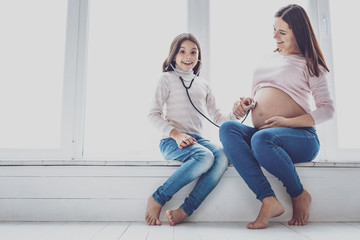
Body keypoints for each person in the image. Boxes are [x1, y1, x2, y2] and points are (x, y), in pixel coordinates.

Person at [219, 4, 335, 229]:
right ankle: (268, 199)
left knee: (262, 139)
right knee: (228, 129)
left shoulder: (310, 63)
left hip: (301, 137)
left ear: (298, 32)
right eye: (274, 29)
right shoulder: (266, 59)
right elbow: (262, 95)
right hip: (265, 136)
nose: (274, 36)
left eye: (282, 32)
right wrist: (245, 105)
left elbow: (327, 109)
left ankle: (299, 194)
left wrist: (286, 122)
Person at [145, 33, 243, 226]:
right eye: (182, 52)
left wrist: (237, 112)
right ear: (173, 56)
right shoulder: (166, 79)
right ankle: (158, 197)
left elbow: (218, 118)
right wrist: (176, 134)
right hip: (172, 141)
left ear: (199, 57)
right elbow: (152, 115)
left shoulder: (204, 84)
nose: (188, 56)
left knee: (222, 155)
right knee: (205, 156)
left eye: (193, 52)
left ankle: (185, 210)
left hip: (197, 141)